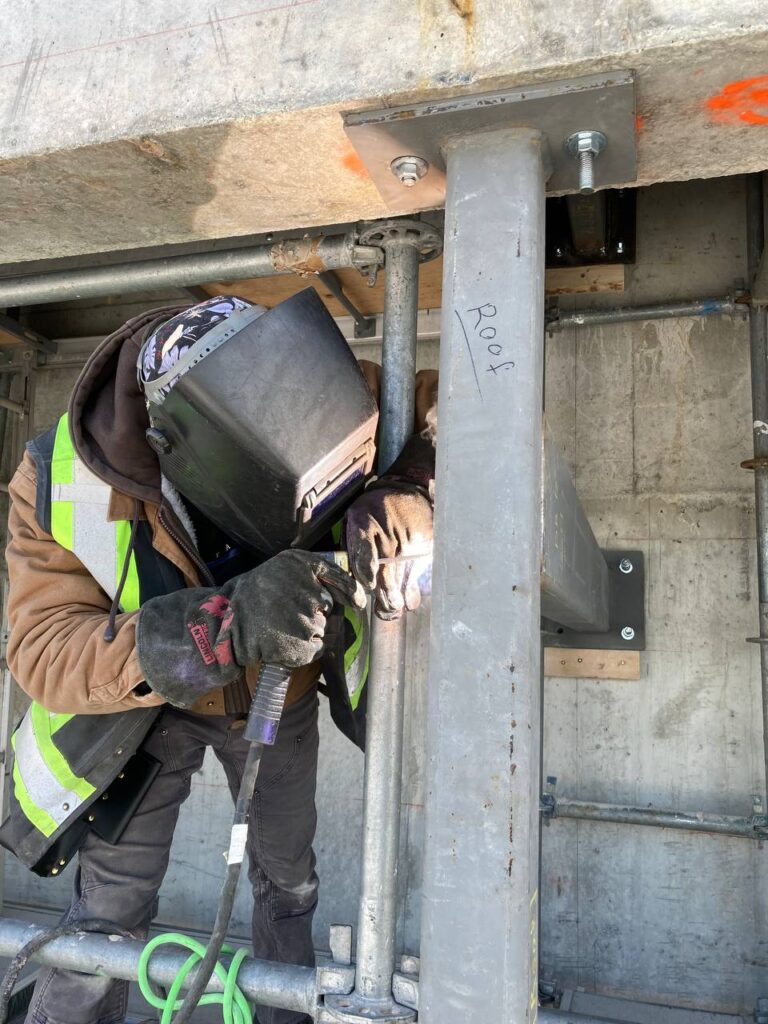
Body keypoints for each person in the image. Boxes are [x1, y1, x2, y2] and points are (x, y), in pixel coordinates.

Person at [0, 291, 437, 1024]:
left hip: (280, 697)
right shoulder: (58, 473)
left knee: (289, 890)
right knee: (111, 909)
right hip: (143, 712)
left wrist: (409, 483)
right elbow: (43, 652)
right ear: (169, 441)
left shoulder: (313, 385)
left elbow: (465, 398)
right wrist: (221, 629)